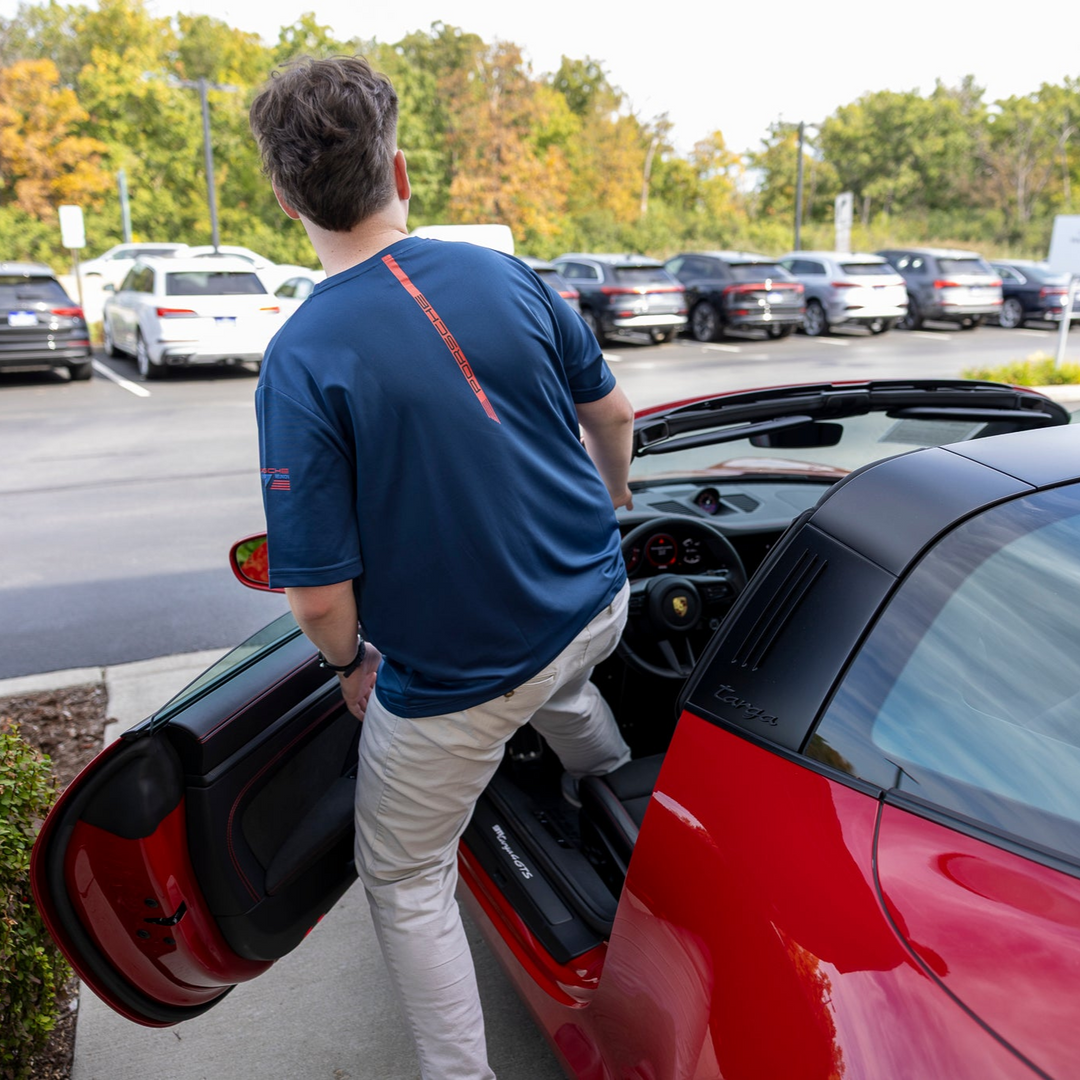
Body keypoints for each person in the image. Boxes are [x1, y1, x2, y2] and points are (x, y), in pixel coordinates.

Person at [248, 55, 636, 1080]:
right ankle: (613, 778)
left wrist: (347, 672)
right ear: (401, 170)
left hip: (464, 682)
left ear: (285, 199)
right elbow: (614, 417)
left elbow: (319, 596)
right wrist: (615, 503)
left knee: (407, 873)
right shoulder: (505, 273)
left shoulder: (303, 357)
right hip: (600, 601)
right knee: (563, 685)